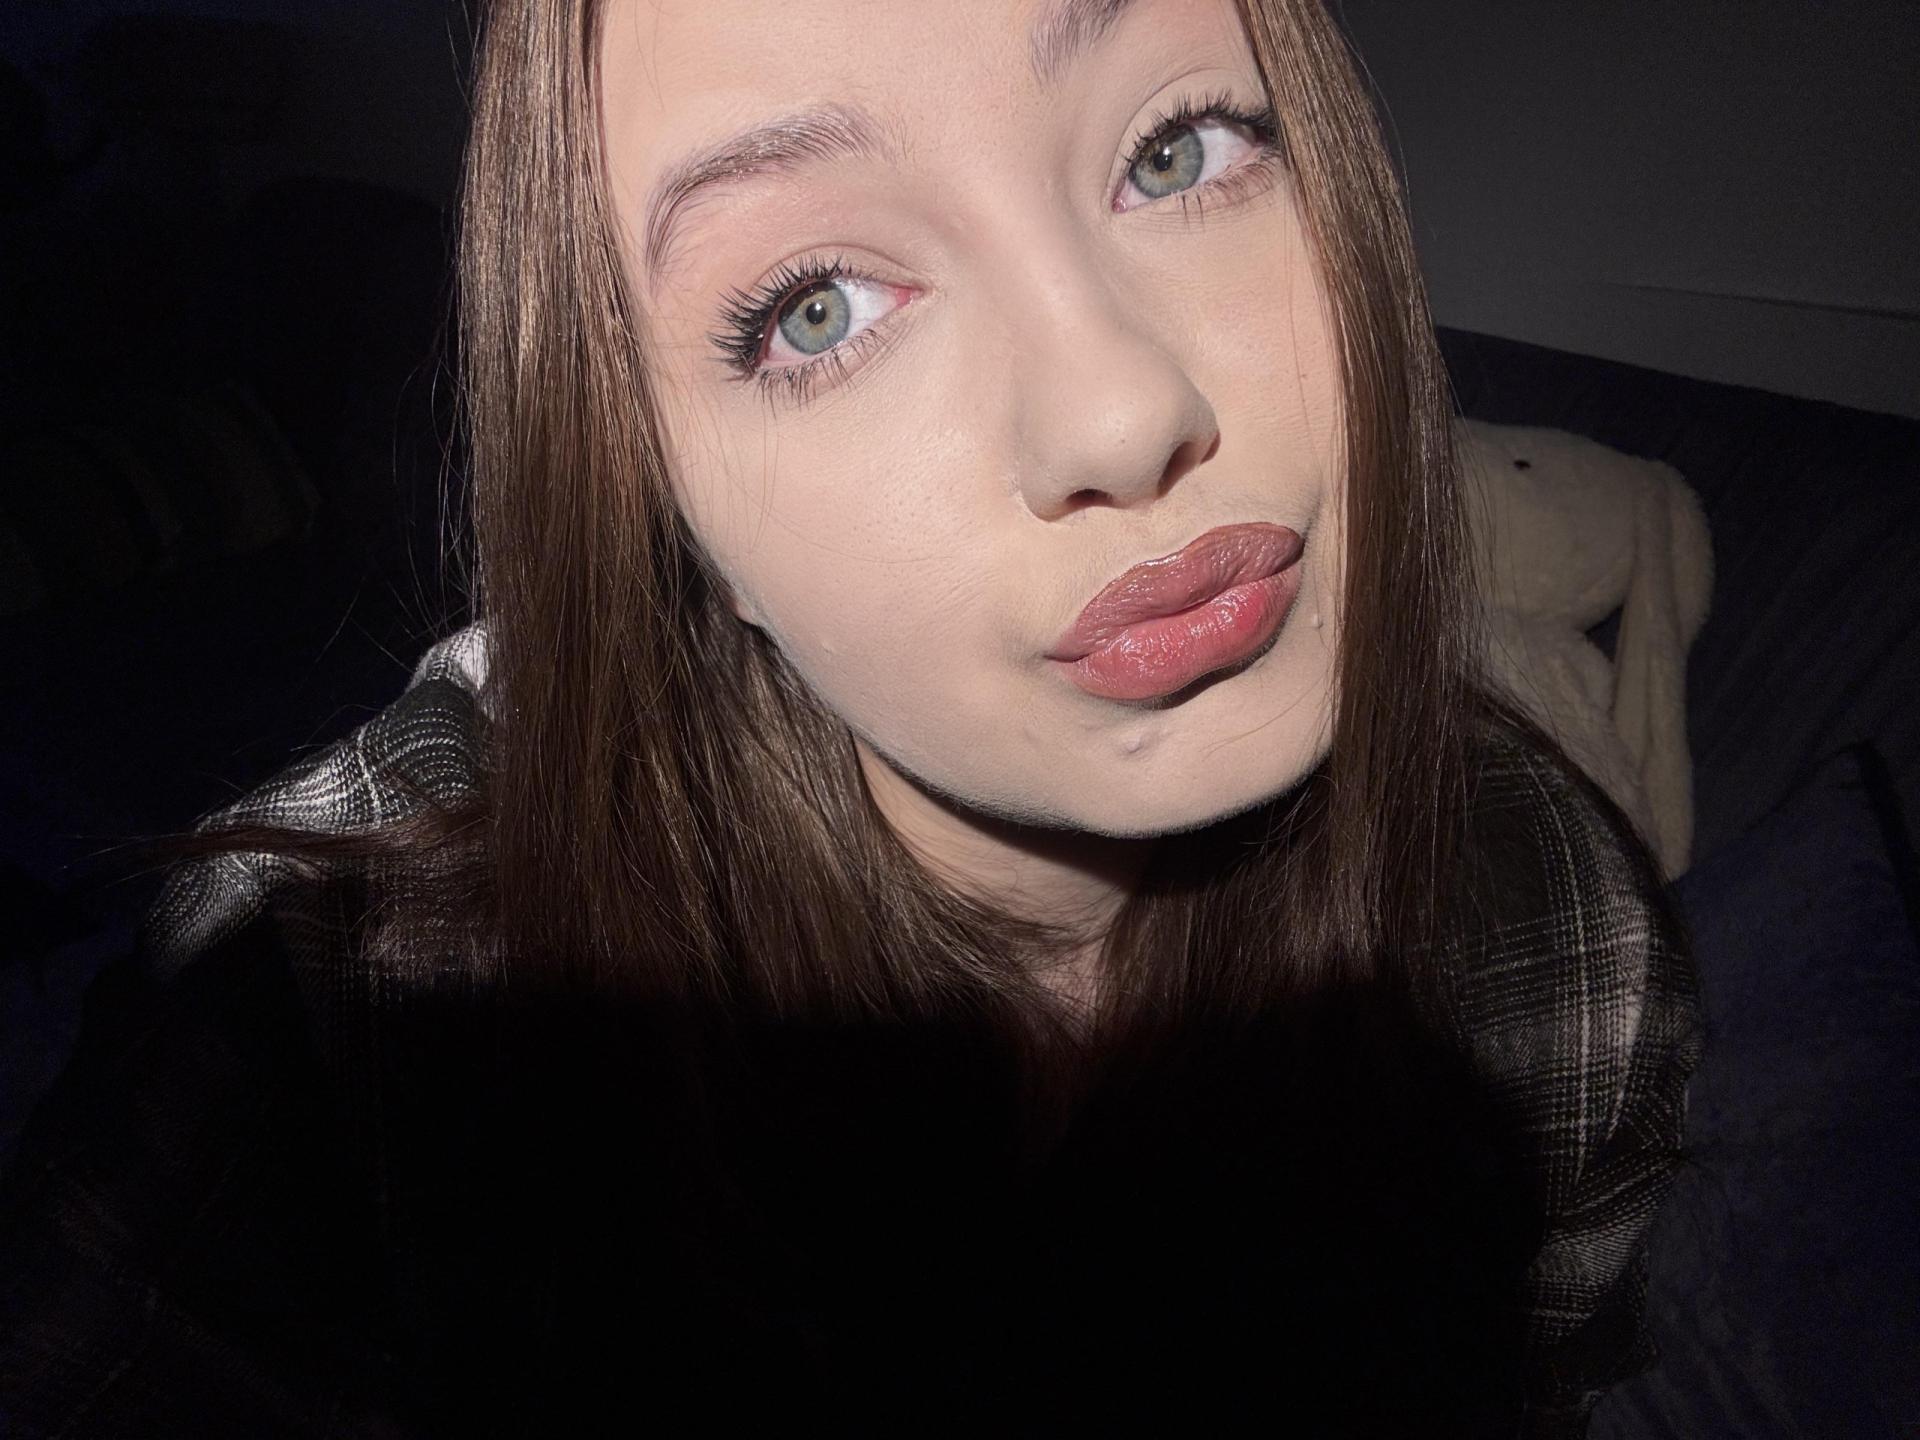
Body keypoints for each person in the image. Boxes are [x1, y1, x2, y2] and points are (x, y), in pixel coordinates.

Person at [0, 0, 1703, 1434]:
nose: (1123, 413)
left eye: (1179, 148)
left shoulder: (1552, 934)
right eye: (814, 308)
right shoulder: (329, 1042)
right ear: (662, 503)